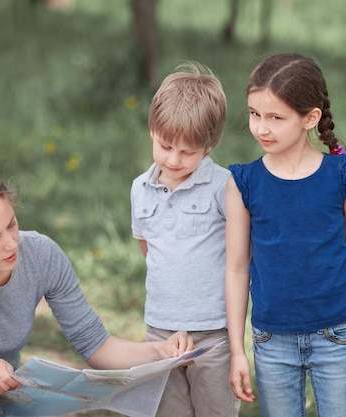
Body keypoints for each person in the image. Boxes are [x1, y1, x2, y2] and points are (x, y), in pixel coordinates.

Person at [0, 166, 194, 417]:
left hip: (7, 394)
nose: (12, 243)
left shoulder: (41, 254)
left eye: (11, 224)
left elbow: (97, 345)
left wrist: (159, 351)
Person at [225, 53, 346, 417]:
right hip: (271, 341)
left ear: (310, 118)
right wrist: (236, 350)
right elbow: (236, 268)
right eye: (254, 113)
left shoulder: (342, 174)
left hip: (336, 338)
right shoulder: (243, 183)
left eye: (275, 117)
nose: (261, 127)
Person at [130, 62, 239, 417]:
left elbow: (239, 255)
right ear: (152, 131)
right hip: (160, 330)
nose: (173, 159)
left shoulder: (224, 187)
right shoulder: (139, 190)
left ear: (210, 145)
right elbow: (147, 247)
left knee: (215, 410)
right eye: (165, 146)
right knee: (167, 411)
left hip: (212, 331)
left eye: (187, 152)